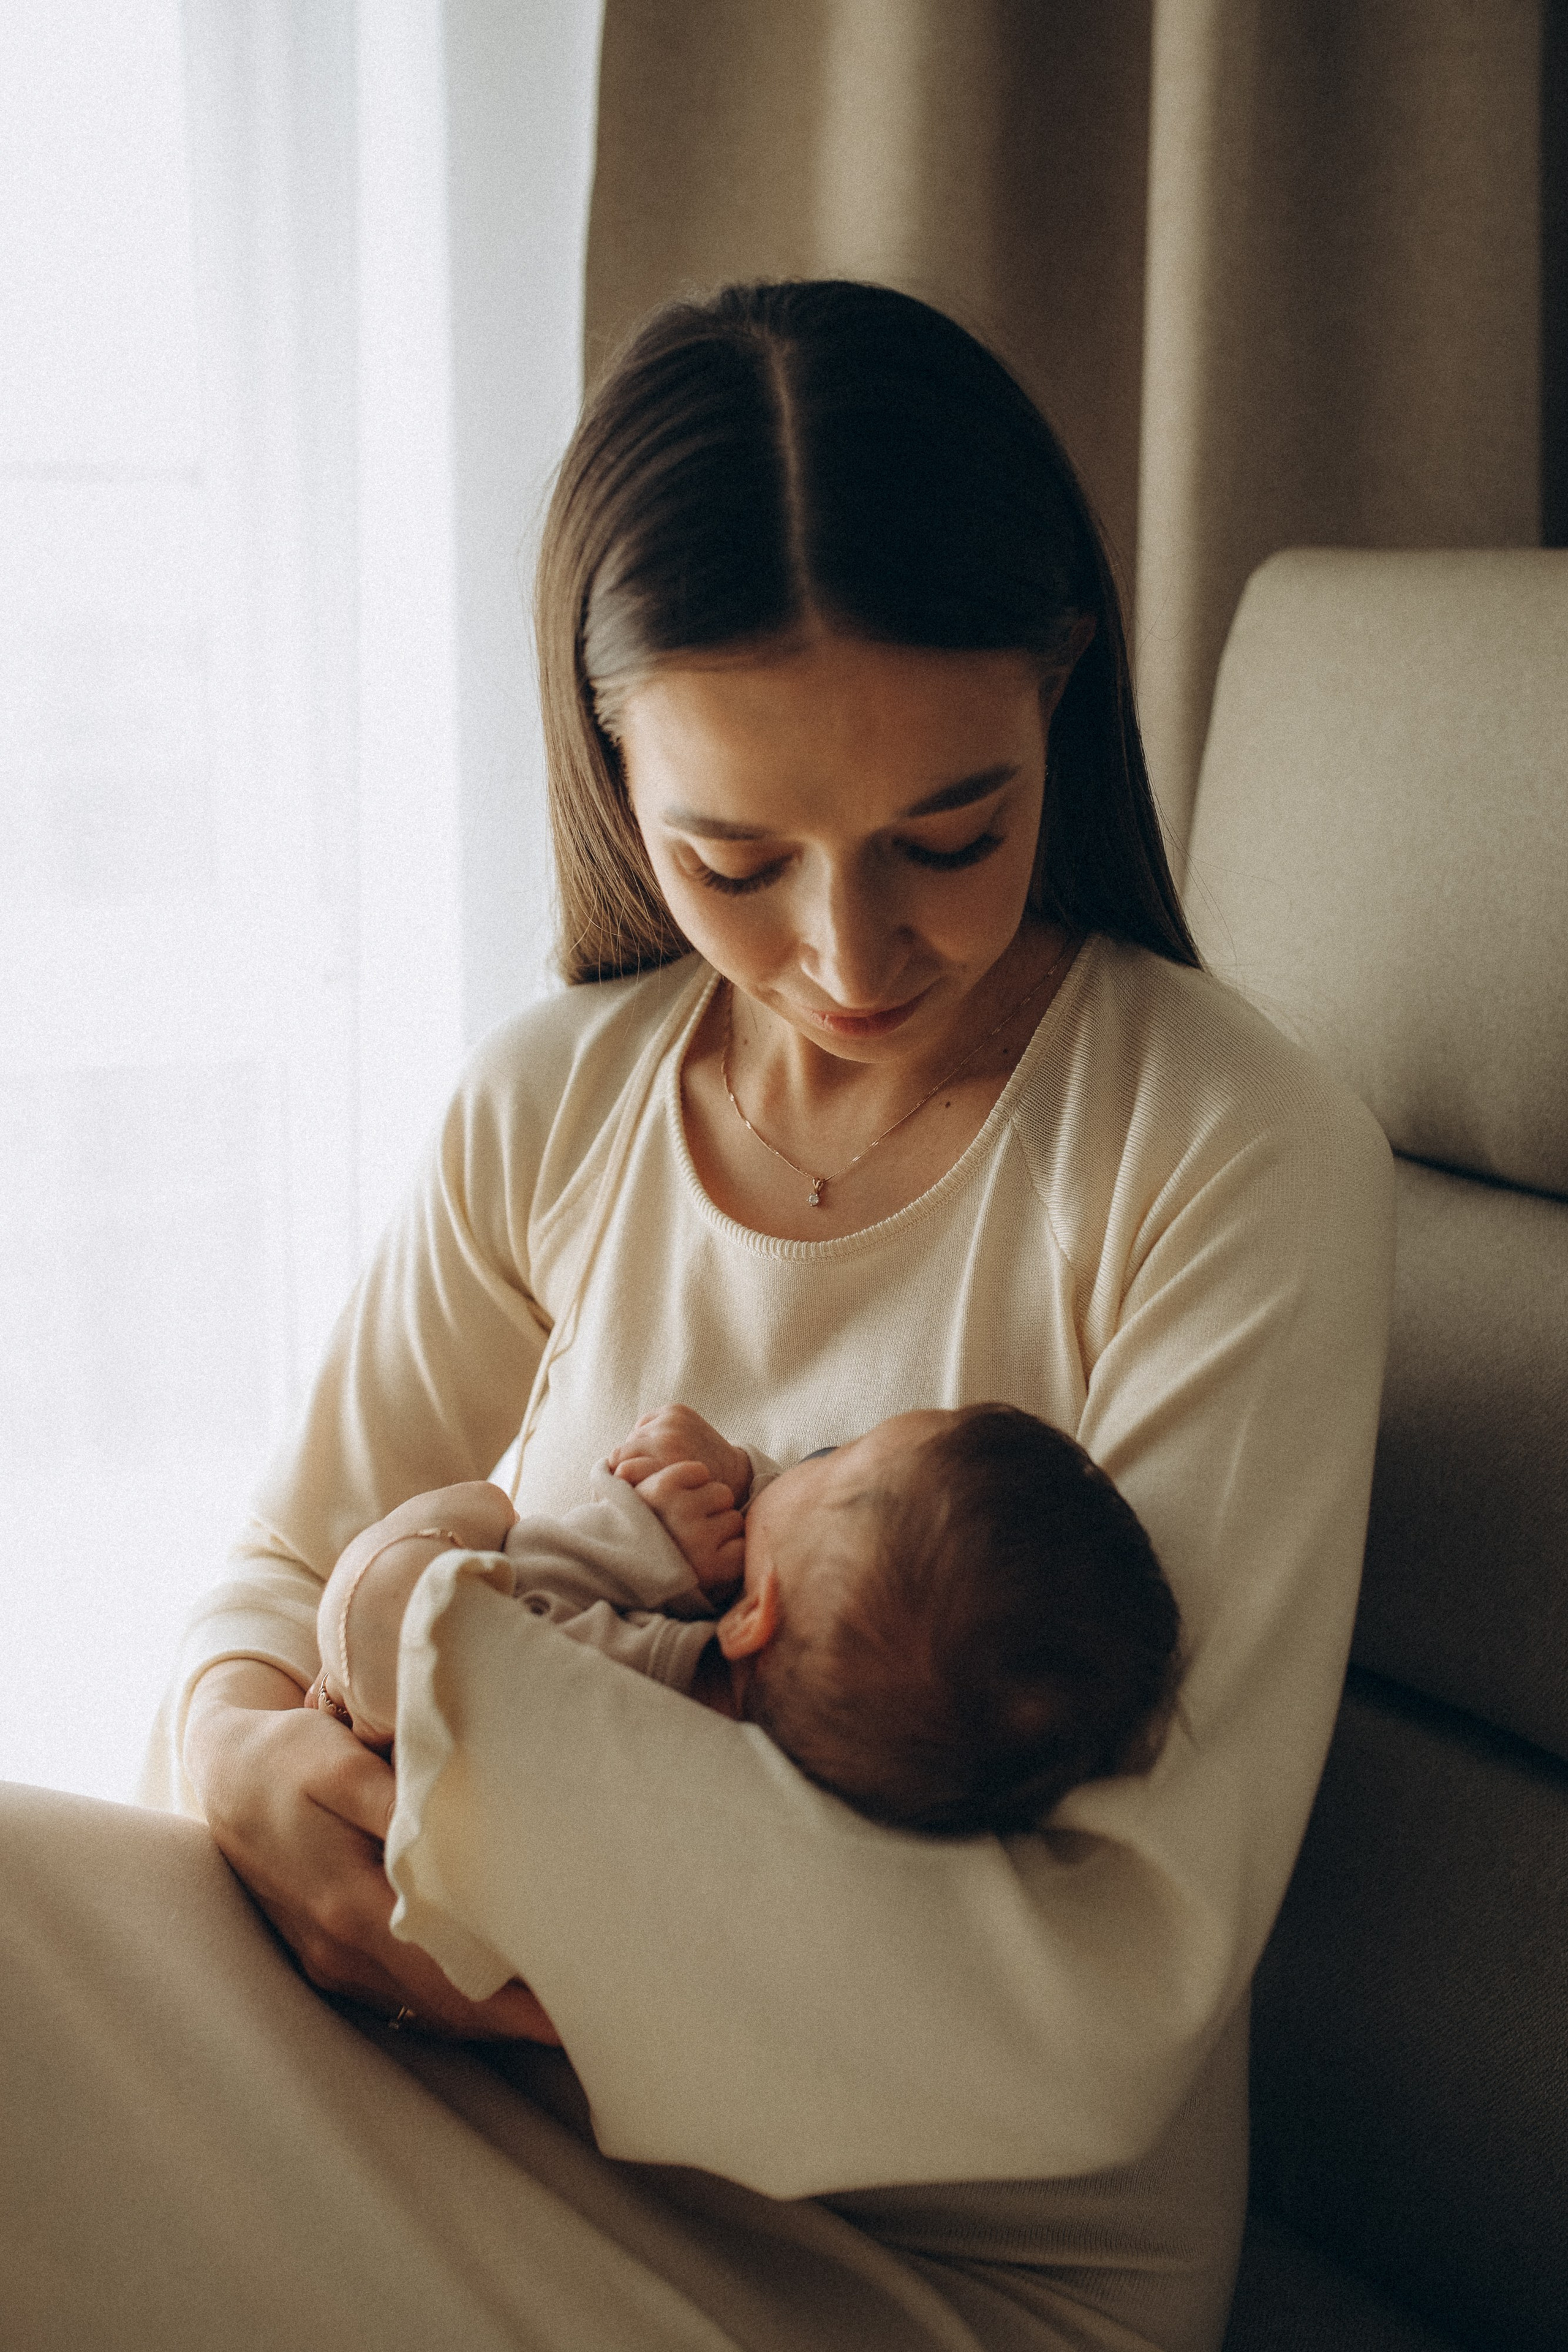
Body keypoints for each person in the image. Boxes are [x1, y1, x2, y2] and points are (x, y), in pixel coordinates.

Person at [0, 281, 1395, 2352]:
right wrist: (236, 1762)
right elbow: (274, 1582)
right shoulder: (557, 1097)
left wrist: (488, 1861)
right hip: (481, 2099)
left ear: (1062, 699)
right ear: (611, 773)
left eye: (952, 834)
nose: (848, 954)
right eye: (735, 857)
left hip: (937, 2270)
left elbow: (1102, 2002)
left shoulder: (1229, 1149)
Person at [304, 1400, 1182, 1842]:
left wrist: (639, 1536)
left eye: (830, 1462)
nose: (790, 1463)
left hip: (365, 1713)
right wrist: (737, 1482)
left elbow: (453, 1624)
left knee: (473, 1515)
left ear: (751, 1616)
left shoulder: (641, 1690)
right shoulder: (783, 1747)